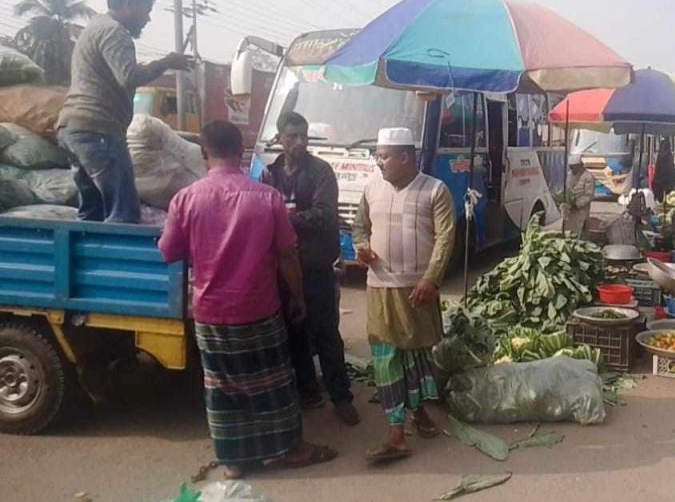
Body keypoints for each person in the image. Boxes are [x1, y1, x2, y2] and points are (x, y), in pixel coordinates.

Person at [158, 121, 336, 479]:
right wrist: (297, 297)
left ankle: (234, 460)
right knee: (273, 382)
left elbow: (169, 252)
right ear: (241, 151)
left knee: (222, 387)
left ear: (204, 153)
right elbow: (287, 254)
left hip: (210, 312)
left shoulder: (186, 198)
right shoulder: (266, 197)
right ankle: (290, 449)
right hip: (260, 309)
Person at [352, 127, 455, 463]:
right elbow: (358, 227)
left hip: (417, 290)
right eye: (378, 156)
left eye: (384, 156)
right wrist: (362, 248)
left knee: (415, 355)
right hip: (379, 288)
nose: (379, 162)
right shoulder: (370, 188)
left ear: (405, 157)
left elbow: (445, 238)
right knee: (386, 357)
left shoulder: (435, 190)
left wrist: (431, 278)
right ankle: (396, 432)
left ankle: (418, 411)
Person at [57, 0, 190, 223]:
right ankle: (116, 263)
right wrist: (166, 63)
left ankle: (85, 262)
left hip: (74, 129)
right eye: (146, 10)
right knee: (124, 212)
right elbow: (129, 75)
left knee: (92, 213)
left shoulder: (94, 28)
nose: (148, 19)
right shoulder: (115, 32)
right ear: (128, 4)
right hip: (98, 131)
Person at [261, 111, 359, 425]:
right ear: (279, 139)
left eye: (304, 136)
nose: (300, 142)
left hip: (316, 268)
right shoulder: (269, 174)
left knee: (327, 333)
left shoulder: (321, 172)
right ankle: (307, 391)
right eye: (292, 136)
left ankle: (342, 398)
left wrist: (285, 218)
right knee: (294, 334)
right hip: (283, 270)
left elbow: (326, 214)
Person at [560, 153, 595, 237]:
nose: (572, 169)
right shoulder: (569, 175)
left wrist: (577, 204)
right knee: (567, 231)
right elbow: (567, 189)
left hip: (581, 211)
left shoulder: (588, 177)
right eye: (571, 167)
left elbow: (589, 195)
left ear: (579, 165)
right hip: (569, 211)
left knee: (580, 231)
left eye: (574, 167)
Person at [652, 138, 675, 203]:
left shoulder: (660, 156)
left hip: (659, 182)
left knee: (661, 201)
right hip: (667, 183)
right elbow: (672, 168)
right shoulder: (668, 156)